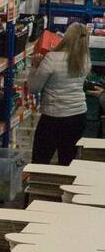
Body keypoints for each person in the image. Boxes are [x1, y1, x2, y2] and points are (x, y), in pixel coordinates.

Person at [29, 23, 100, 165]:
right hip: (77, 117)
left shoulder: (52, 58)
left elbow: (34, 88)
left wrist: (35, 66)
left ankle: (40, 186)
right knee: (67, 161)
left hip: (53, 117)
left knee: (40, 161)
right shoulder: (85, 60)